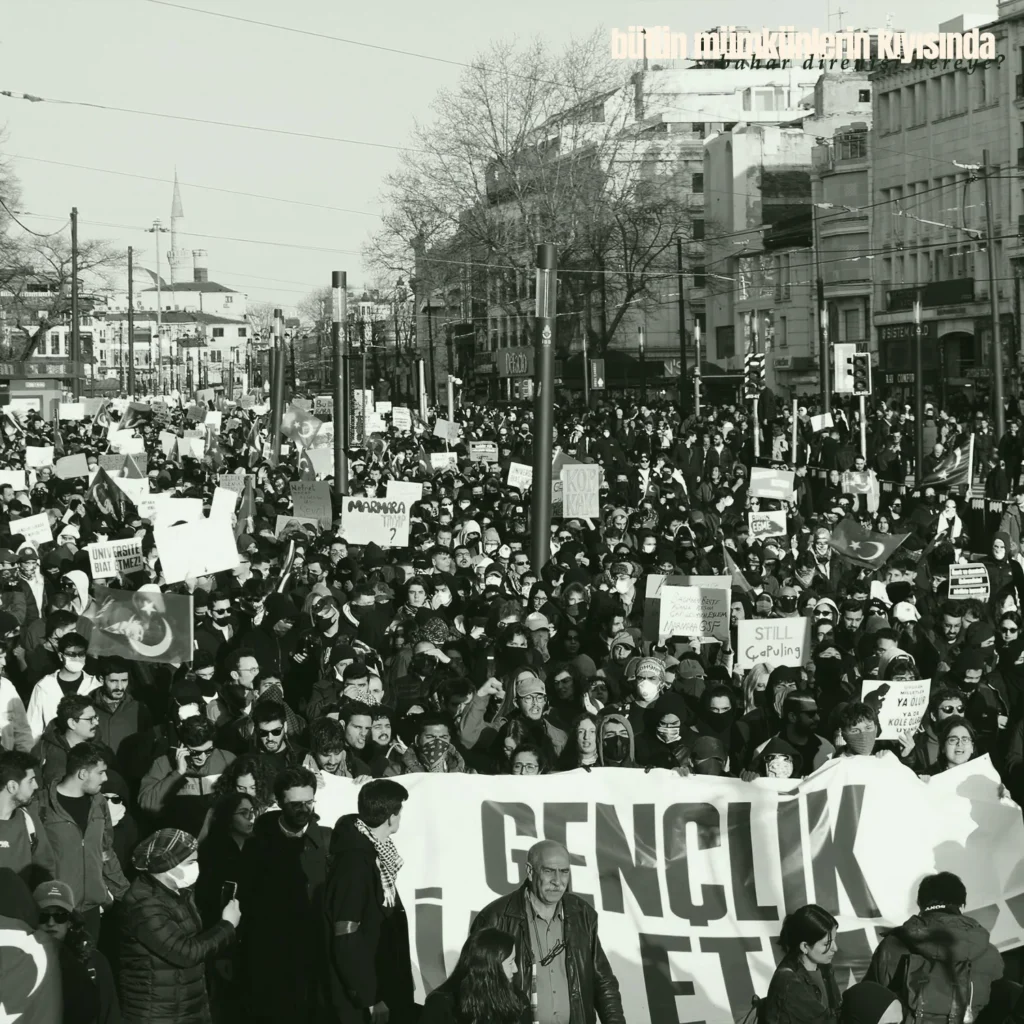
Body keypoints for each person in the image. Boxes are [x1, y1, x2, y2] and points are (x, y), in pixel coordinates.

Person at [471, 839, 625, 1024]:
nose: (557, 881)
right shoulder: (495, 918)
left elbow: (603, 981)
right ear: (530, 871)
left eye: (564, 872)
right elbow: (476, 987)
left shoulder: (582, 915)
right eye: (549, 871)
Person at [238, 766, 331, 1024]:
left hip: (316, 957)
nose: (303, 810)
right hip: (271, 958)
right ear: (279, 803)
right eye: (295, 804)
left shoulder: (327, 842)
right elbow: (245, 900)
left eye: (309, 802)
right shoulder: (257, 845)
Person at [120, 827, 241, 1024]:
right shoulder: (144, 905)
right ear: (168, 865)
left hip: (183, 1005)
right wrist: (227, 925)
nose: (196, 867)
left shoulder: (177, 892)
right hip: (159, 1012)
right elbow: (185, 952)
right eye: (190, 862)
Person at [325, 777, 415, 1024]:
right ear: (391, 817)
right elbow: (346, 933)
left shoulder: (372, 854)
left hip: (381, 987)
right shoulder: (355, 863)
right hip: (366, 1002)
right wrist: (370, 997)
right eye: (400, 811)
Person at [864, 871, 1003, 1024]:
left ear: (920, 902)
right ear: (961, 902)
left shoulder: (893, 945)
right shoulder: (988, 951)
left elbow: (869, 1002)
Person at [36, 741, 128, 941]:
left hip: (91, 910)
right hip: (55, 911)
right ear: (83, 774)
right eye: (101, 772)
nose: (105, 778)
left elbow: (106, 851)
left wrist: (124, 893)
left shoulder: (99, 802)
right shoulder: (41, 806)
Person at [33, 878, 121, 1024]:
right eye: (44, 915)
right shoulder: (21, 959)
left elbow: (110, 1014)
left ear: (70, 921)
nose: (51, 923)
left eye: (60, 916)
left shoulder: (93, 961)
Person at [420, 927, 528, 1024]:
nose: (515, 969)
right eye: (510, 962)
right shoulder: (442, 1004)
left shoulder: (518, 1000)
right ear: (489, 968)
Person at [761, 904, 841, 1024]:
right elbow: (825, 1020)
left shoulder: (825, 967)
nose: (835, 948)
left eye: (834, 940)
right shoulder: (788, 981)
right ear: (804, 946)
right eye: (826, 944)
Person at [0, 749, 56, 886]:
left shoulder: (29, 821)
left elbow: (46, 870)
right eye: (30, 781)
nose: (36, 786)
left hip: (21, 906)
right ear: (12, 786)